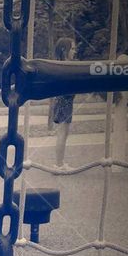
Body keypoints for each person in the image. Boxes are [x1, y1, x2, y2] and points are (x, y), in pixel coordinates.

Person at [51, 36, 77, 166]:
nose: (74, 52)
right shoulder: (63, 66)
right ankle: (59, 164)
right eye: (72, 49)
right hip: (63, 102)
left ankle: (60, 162)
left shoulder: (66, 65)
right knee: (62, 133)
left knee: (65, 133)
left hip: (66, 101)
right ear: (63, 50)